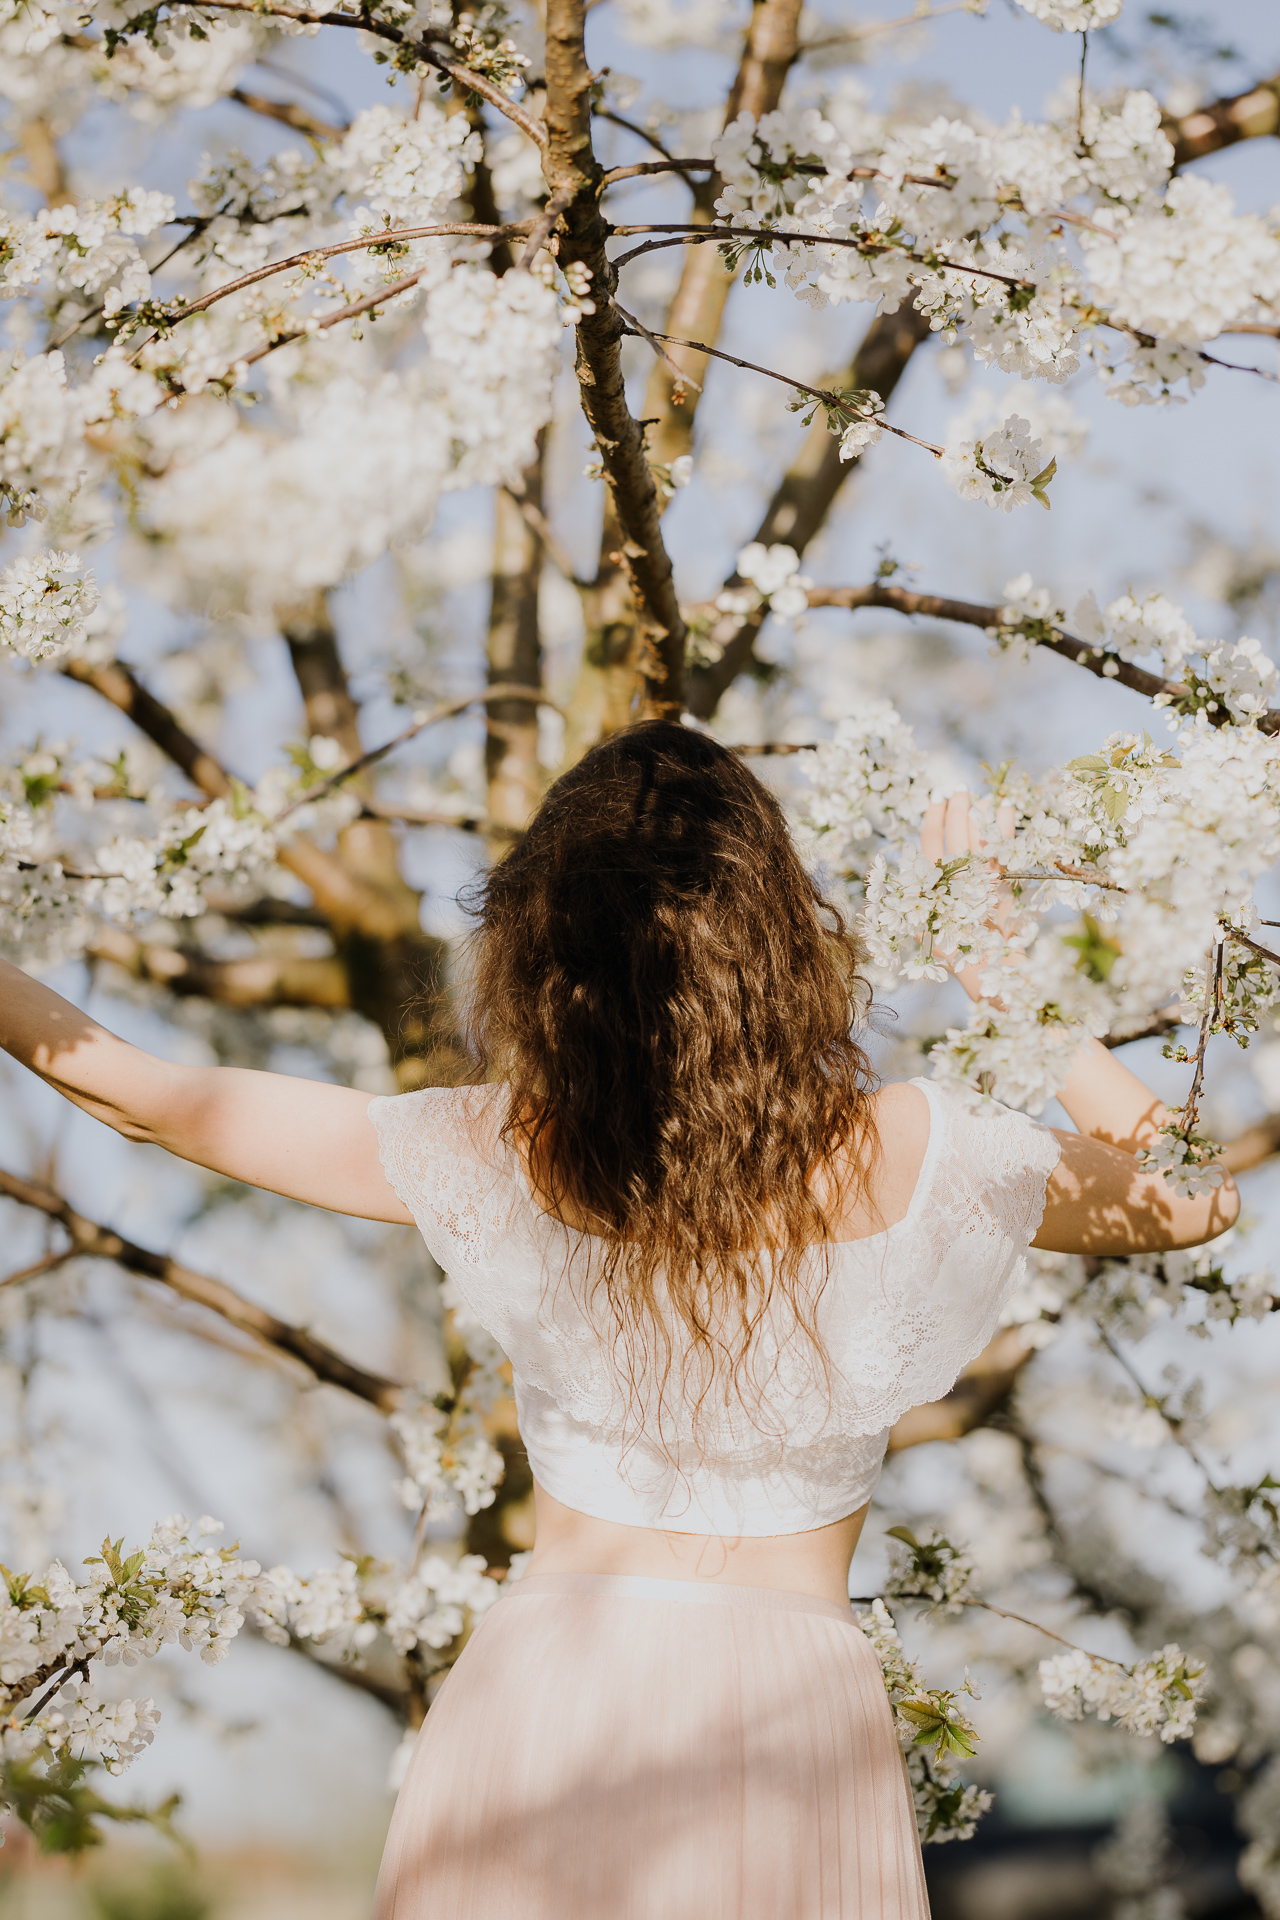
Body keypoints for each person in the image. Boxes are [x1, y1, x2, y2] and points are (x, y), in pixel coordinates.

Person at [0, 722, 1237, 1918]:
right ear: (781, 938)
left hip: (548, 1701)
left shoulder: (499, 1153)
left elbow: (150, 1099)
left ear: (545, 959)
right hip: (794, 1721)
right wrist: (1000, 966)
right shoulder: (925, 1152)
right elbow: (1193, 1198)